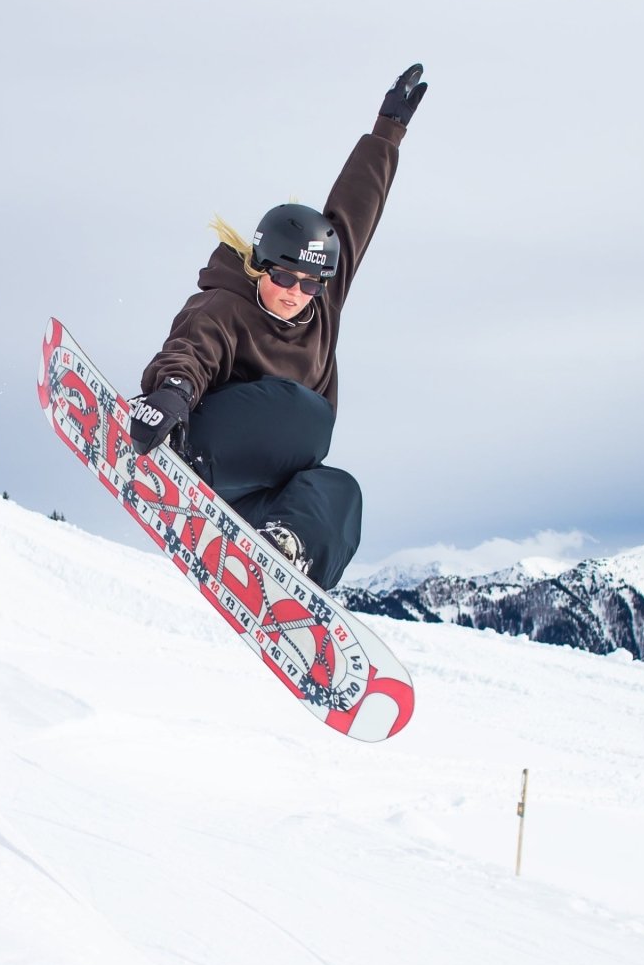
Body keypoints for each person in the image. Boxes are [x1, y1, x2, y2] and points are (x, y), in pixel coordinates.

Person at [129, 64, 428, 590]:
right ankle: (187, 456)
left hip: (257, 491)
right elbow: (190, 352)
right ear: (260, 265)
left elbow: (354, 211)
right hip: (207, 445)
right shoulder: (226, 305)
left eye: (310, 283)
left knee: (341, 489)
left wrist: (387, 132)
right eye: (285, 276)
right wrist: (172, 394)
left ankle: (285, 550)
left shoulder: (322, 305)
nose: (296, 292)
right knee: (305, 413)